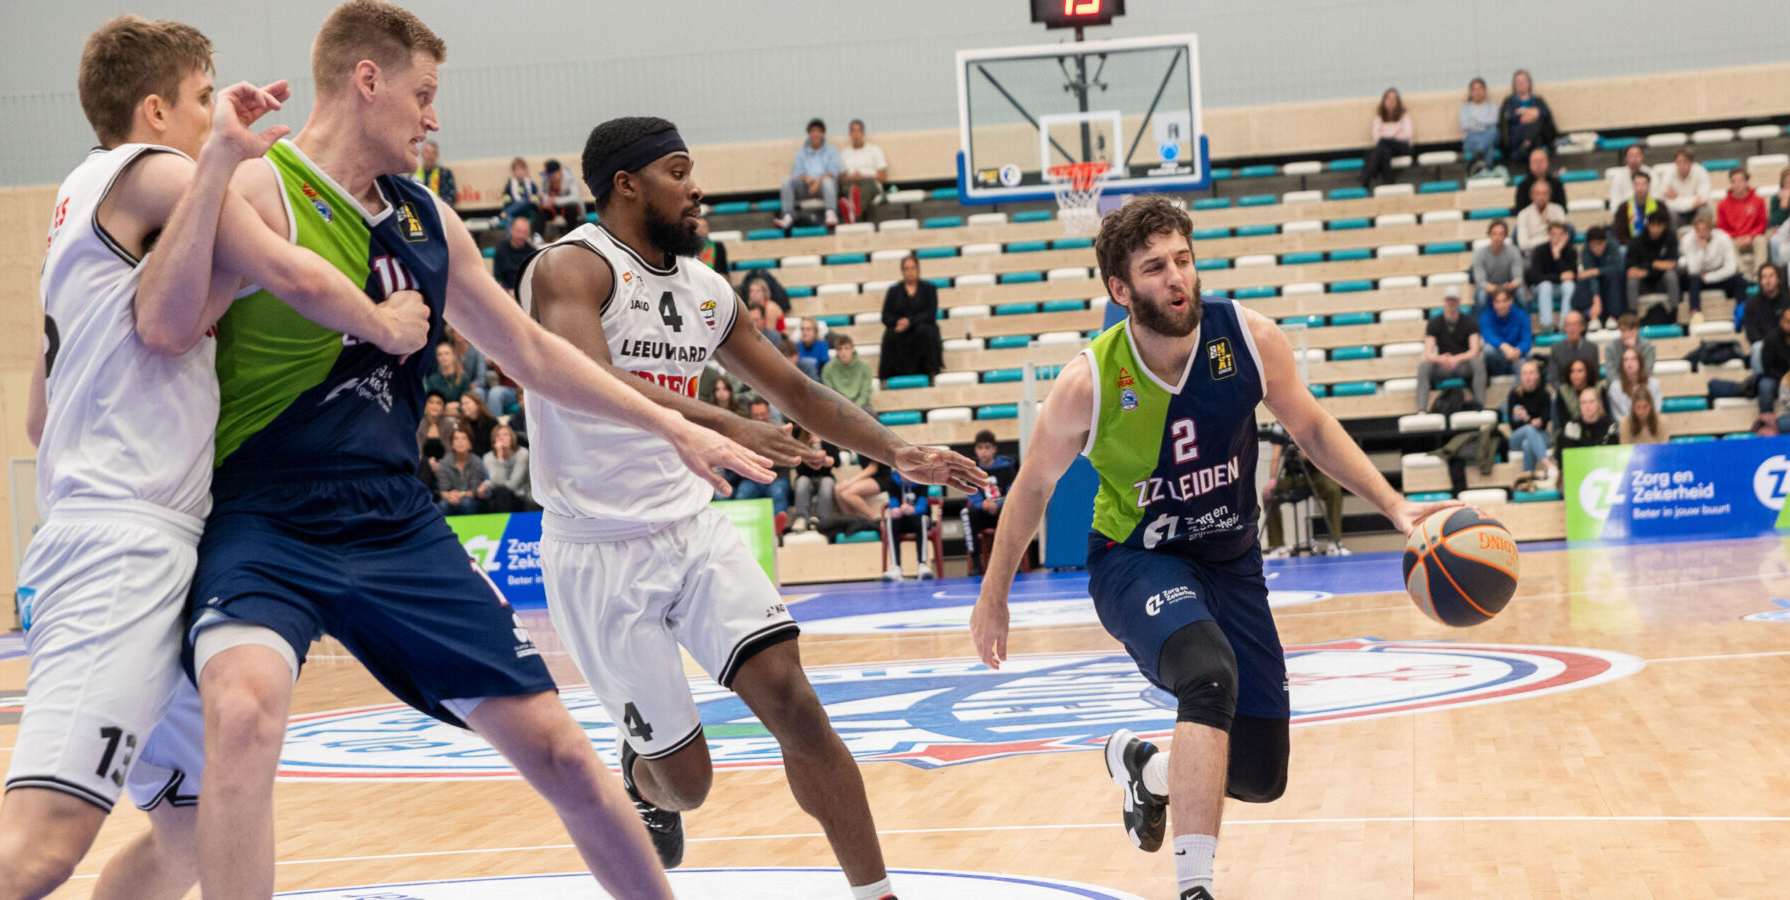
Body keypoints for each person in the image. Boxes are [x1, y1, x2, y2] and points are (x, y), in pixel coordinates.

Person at [144, 5, 778, 896]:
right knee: (242, 718)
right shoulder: (260, 191)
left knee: (561, 750)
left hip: (396, 520)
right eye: (423, 94)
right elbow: (166, 328)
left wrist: (676, 422)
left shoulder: (427, 219)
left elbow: (531, 354)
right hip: (264, 514)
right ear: (368, 80)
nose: (433, 118)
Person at [0, 17, 430, 899]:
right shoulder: (157, 171)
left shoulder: (79, 209)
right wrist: (385, 323)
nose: (212, 118)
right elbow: (287, 266)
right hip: (120, 547)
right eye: (200, 101)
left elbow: (40, 418)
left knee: (193, 835)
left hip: (147, 539)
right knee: (39, 850)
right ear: (154, 109)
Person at [519, 114, 985, 891]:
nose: (696, 186)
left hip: (690, 530)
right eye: (677, 170)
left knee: (797, 705)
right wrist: (726, 421)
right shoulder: (571, 268)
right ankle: (642, 779)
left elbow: (799, 393)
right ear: (627, 185)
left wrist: (899, 452)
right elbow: (586, 380)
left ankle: (878, 893)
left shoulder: (705, 289)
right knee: (688, 782)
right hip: (598, 550)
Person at [967, 195, 1457, 900]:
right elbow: (1032, 489)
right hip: (1137, 560)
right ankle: (1196, 890)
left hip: (1232, 561)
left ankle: (1149, 772)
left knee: (1260, 773)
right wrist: (994, 598)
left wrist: (1396, 506)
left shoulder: (1250, 341)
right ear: (1120, 289)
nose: (1178, 279)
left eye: (1184, 261)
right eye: (1155, 268)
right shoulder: (1090, 381)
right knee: (1208, 674)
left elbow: (1313, 430)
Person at [1261, 437, 1346, 558]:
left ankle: (1335, 543)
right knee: (1269, 495)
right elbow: (1276, 455)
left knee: (1333, 490)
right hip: (1293, 476)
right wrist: (1272, 482)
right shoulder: (1279, 428)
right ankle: (1278, 547)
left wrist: (1306, 452)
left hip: (1315, 474)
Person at [1417, 285, 1486, 411]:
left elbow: (1474, 349)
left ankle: (1480, 406)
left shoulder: (1470, 323)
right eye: (1449, 300)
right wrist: (1441, 359)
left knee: (1478, 362)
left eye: (1454, 300)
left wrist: (1456, 358)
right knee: (1424, 366)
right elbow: (1428, 353)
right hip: (1443, 365)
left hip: (1462, 365)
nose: (1451, 303)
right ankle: (1421, 410)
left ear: (1459, 301)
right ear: (1444, 301)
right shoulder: (1434, 323)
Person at [961, 430, 1020, 575]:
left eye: (987, 447)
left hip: (1002, 511)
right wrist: (982, 504)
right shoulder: (972, 470)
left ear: (994, 449)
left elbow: (1013, 493)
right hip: (982, 512)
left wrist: (997, 503)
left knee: (1012, 511)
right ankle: (976, 563)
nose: (984, 452)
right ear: (976, 449)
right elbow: (971, 493)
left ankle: (1009, 563)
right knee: (966, 513)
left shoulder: (1007, 468)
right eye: (980, 448)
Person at [879, 253, 943, 379]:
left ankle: (930, 371)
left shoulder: (929, 289)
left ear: (918, 269)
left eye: (912, 268)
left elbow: (930, 313)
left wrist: (910, 322)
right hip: (900, 331)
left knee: (924, 331)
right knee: (890, 335)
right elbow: (886, 316)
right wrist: (898, 322)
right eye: (906, 269)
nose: (910, 271)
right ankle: (889, 376)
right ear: (902, 271)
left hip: (921, 328)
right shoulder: (893, 291)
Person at [775, 117, 842, 229]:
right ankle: (788, 216)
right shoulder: (800, 154)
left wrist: (817, 181)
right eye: (813, 131)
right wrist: (808, 180)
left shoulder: (832, 152)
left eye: (819, 131)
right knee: (787, 180)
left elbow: (833, 172)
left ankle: (831, 214)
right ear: (809, 134)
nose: (816, 134)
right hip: (806, 187)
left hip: (823, 188)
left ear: (823, 134)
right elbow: (797, 173)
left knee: (828, 181)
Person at [1681, 212, 1747, 316]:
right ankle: (1695, 313)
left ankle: (1741, 312)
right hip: (1697, 278)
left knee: (1740, 279)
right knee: (1693, 279)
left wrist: (1707, 277)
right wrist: (1702, 250)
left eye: (1705, 230)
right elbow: (1693, 270)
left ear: (1712, 229)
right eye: (1698, 230)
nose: (1701, 233)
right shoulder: (1688, 240)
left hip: (1717, 275)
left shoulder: (1723, 238)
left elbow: (1731, 268)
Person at [1627, 210, 1684, 321]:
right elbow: (1630, 268)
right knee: (1632, 280)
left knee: (1671, 275)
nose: (1656, 229)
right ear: (1648, 226)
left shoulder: (1670, 238)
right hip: (1643, 282)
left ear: (1664, 226)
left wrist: (1647, 268)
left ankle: (1674, 313)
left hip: (1661, 281)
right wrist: (1656, 264)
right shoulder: (1637, 241)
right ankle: (1632, 315)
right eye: (1653, 225)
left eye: (1659, 225)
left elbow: (1672, 264)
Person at [880, 470, 935, 581]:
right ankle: (896, 567)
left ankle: (922, 564)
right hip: (902, 522)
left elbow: (922, 506)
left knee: (922, 519)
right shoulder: (892, 481)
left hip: (919, 519)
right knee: (890, 521)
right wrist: (895, 511)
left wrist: (913, 510)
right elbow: (893, 504)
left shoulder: (922, 480)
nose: (905, 477)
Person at [1525, 220, 1577, 332]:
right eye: (1553, 234)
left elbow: (1572, 276)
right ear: (1549, 235)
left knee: (1569, 285)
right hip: (1540, 290)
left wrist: (1557, 256)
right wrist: (1558, 278)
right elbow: (1535, 277)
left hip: (1560, 289)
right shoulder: (1540, 250)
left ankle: (1565, 323)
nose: (1557, 238)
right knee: (1545, 285)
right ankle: (1546, 324)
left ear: (1565, 236)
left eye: (1560, 234)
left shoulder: (1571, 252)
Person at [1498, 69, 1556, 167]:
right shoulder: (1509, 101)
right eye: (1518, 82)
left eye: (1524, 81)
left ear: (1529, 83)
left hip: (1538, 135)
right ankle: (1528, 146)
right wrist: (1532, 113)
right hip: (1517, 136)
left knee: (1539, 123)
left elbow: (1545, 114)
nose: (1521, 84)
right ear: (1514, 85)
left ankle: (1526, 144)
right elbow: (1508, 118)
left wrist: (1523, 112)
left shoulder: (1538, 100)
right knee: (1536, 125)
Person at [1505, 360, 1553, 473]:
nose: (1528, 377)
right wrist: (1531, 421)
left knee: (1527, 444)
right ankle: (1548, 465)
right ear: (1520, 376)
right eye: (1525, 373)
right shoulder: (1514, 395)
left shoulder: (1545, 395)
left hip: (1540, 435)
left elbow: (1544, 422)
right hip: (1517, 437)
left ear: (1537, 375)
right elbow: (1514, 425)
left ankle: (1528, 477)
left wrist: (1527, 419)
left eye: (1531, 373)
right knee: (1528, 429)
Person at [837, 119, 888, 223]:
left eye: (858, 131)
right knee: (850, 188)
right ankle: (854, 209)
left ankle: (852, 211)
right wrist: (851, 177)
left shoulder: (874, 150)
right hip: (851, 182)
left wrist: (865, 176)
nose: (856, 135)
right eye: (853, 131)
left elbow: (883, 177)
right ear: (850, 134)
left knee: (866, 185)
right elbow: (841, 179)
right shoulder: (844, 153)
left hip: (870, 182)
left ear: (863, 133)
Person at [1741, 263, 1788, 376]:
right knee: (1757, 347)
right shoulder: (1752, 303)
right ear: (1760, 281)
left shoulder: (1788, 300)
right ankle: (1759, 381)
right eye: (1764, 277)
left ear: (1778, 279)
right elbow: (1751, 332)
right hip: (1764, 343)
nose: (1768, 280)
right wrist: (1769, 342)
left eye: (1771, 276)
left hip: (1785, 342)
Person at [1361, 88, 1411, 188]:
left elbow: (1407, 135)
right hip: (1385, 148)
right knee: (1385, 151)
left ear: (1398, 102)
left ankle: (1368, 175)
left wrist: (1389, 138)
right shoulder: (1379, 119)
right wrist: (1393, 135)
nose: (1391, 102)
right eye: (1388, 99)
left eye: (1394, 99)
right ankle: (1389, 182)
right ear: (1384, 101)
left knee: (1383, 144)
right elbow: (1376, 137)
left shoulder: (1404, 117)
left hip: (1400, 147)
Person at [1472, 219, 1527, 310]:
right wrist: (1497, 289)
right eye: (1494, 234)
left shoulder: (1514, 252)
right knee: (1481, 295)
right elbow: (1481, 282)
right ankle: (1480, 324)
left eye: (1501, 234)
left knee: (1521, 292)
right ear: (1490, 235)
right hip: (1489, 290)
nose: (1497, 237)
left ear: (1505, 236)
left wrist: (1510, 286)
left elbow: (1518, 278)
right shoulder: (1479, 254)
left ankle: (1526, 323)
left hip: (1508, 289)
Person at [789, 429, 837, 533]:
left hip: (825, 476)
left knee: (827, 482)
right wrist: (809, 451)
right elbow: (799, 468)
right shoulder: (798, 435)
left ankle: (823, 520)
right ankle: (800, 518)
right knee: (802, 481)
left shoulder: (828, 436)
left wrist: (819, 446)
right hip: (804, 476)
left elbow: (835, 462)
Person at [1718, 168, 1769, 264]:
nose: (1737, 184)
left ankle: (1759, 274)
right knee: (1727, 243)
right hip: (1734, 239)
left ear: (1747, 182)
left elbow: (1762, 224)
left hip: (1753, 238)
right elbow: (1722, 228)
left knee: (1761, 240)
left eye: (1740, 180)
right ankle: (1742, 276)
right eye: (1734, 181)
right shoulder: (1722, 204)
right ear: (1730, 183)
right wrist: (1736, 238)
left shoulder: (1759, 200)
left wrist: (1751, 236)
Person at [1479, 287, 1533, 377]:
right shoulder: (1485, 316)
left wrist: (1517, 351)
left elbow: (1527, 340)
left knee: (1528, 355)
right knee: (1488, 350)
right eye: (1497, 302)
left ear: (1510, 301)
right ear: (1493, 303)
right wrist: (1505, 347)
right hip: (1498, 359)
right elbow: (1489, 336)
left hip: (1516, 356)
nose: (1501, 305)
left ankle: (1516, 390)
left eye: (1504, 301)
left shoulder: (1522, 315)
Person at [435, 425, 489, 514]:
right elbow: (443, 490)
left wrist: (461, 494)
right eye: (456, 439)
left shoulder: (477, 461)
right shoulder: (445, 462)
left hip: (471, 499)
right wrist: (450, 496)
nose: (460, 442)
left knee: (466, 503)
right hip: (450, 497)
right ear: (452, 444)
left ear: (470, 445)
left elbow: (475, 491)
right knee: (441, 506)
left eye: (464, 438)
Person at [1578, 225, 1624, 327]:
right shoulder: (1586, 251)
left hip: (1613, 278)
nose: (1596, 248)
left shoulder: (1613, 244)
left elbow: (1618, 267)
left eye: (1599, 245)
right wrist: (1596, 298)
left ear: (1605, 242)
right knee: (1584, 281)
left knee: (1613, 278)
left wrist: (1596, 271)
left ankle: (1613, 317)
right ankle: (1593, 317)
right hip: (1596, 281)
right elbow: (1590, 276)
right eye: (1593, 245)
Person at [483, 423, 532, 512]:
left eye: (505, 435)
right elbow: (497, 481)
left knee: (502, 492)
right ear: (494, 440)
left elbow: (513, 485)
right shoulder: (488, 457)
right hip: (497, 495)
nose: (501, 438)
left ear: (512, 437)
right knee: (499, 493)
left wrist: (489, 484)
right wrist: (500, 457)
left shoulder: (522, 454)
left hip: (519, 495)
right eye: (498, 435)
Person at [822, 332, 875, 413]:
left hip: (861, 406)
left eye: (846, 348)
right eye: (840, 349)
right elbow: (831, 394)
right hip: (838, 406)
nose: (843, 352)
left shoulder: (865, 368)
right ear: (837, 352)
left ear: (852, 349)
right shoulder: (827, 369)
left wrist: (855, 408)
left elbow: (865, 393)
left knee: (870, 412)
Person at [1546, 310, 1599, 391]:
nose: (1572, 328)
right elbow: (1554, 378)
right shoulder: (1556, 349)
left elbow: (1595, 376)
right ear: (1565, 328)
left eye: (1575, 324)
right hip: (1565, 394)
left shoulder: (1592, 348)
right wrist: (1564, 393)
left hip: (1587, 393)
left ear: (1582, 327)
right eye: (1568, 325)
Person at [1605, 346, 1661, 421]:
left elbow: (1656, 409)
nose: (1629, 363)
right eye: (1625, 360)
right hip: (1625, 428)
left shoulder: (1653, 383)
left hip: (1650, 425)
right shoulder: (1615, 387)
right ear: (1622, 364)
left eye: (1633, 359)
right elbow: (1617, 414)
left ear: (1640, 362)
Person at [1557, 386, 1618, 453]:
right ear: (1579, 405)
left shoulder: (1611, 427)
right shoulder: (1571, 427)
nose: (1587, 405)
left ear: (1599, 403)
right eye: (1584, 402)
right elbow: (1565, 455)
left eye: (1591, 401)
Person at [1659, 148, 1711, 224]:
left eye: (1685, 162)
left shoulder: (1701, 172)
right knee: (1666, 214)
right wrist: (1692, 202)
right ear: (1675, 162)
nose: (1682, 165)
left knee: (1705, 211)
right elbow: (1666, 202)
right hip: (1676, 212)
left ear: (1691, 163)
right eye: (1679, 162)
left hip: (1696, 211)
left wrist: (1677, 198)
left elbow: (1703, 200)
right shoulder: (1668, 174)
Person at [1458, 77, 1498, 174]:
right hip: (1471, 138)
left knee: (1494, 132)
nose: (1477, 92)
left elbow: (1493, 122)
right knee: (1489, 143)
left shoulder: (1493, 106)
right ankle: (1487, 170)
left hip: (1488, 135)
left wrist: (1475, 122)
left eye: (1480, 89)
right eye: (1474, 89)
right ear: (1470, 92)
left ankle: (1478, 158)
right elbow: (1466, 126)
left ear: (1484, 91)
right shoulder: (1464, 108)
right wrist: (1484, 125)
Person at [492, 214, 539, 295]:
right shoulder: (501, 250)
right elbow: (498, 278)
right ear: (511, 230)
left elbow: (535, 280)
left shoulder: (533, 253)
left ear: (529, 234)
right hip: (506, 295)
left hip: (527, 294)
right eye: (518, 231)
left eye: (525, 232)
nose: (521, 236)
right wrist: (507, 291)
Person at [1515, 180, 1567, 253]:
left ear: (1549, 195)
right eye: (1538, 193)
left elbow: (1563, 237)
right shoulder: (1523, 214)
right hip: (1533, 253)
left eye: (1544, 193)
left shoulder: (1558, 210)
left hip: (1555, 250)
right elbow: (1523, 244)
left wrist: (1548, 222)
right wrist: (1549, 240)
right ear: (1532, 196)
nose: (1541, 197)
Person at [1613, 170, 1665, 243]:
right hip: (1632, 246)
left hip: (1655, 244)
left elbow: (1666, 229)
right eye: (1637, 184)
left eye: (1643, 184)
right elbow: (1619, 233)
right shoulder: (1623, 207)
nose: (1640, 188)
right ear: (1633, 186)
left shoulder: (1659, 206)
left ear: (1649, 186)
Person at [1601, 312, 1657, 376]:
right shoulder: (1611, 347)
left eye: (1630, 330)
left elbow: (1647, 371)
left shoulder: (1648, 346)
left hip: (1642, 383)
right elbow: (1611, 374)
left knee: (1653, 383)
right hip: (1619, 383)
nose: (1626, 334)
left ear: (1637, 330)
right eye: (1623, 330)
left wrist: (1634, 349)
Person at [1514, 147, 1567, 214]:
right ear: (1530, 164)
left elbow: (1563, 209)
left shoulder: (1557, 184)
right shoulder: (1523, 186)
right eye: (1535, 161)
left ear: (1547, 162)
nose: (1538, 164)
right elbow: (1519, 211)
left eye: (1541, 161)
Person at [1759, 305, 1790, 415]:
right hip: (1776, 377)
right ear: (1781, 322)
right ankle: (1767, 420)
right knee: (1765, 385)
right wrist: (1784, 378)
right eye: (1788, 322)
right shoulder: (1771, 338)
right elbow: (1767, 368)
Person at [1553, 357, 1601, 428]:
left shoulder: (1598, 389)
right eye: (1572, 371)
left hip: (1597, 427)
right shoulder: (1562, 392)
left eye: (1580, 371)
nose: (1576, 374)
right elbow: (1563, 420)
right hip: (1572, 430)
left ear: (1587, 373)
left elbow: (1604, 415)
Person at [539, 158, 584, 230]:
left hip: (568, 209)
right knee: (541, 211)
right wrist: (542, 200)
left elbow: (576, 198)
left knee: (572, 208)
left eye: (551, 175)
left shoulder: (571, 179)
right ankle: (538, 236)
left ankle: (570, 234)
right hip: (553, 209)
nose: (549, 178)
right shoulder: (546, 180)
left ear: (559, 173)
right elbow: (541, 193)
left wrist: (556, 200)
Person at [500, 156, 542, 229]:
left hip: (527, 210)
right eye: (517, 170)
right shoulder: (509, 186)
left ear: (526, 171)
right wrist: (514, 204)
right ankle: (510, 239)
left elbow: (534, 201)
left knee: (523, 201)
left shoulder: (531, 185)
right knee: (509, 219)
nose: (520, 172)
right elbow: (506, 201)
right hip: (514, 211)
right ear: (513, 172)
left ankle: (507, 212)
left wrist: (529, 201)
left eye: (522, 169)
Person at [1609, 144, 1652, 210]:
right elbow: (1614, 204)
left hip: (1650, 213)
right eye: (1631, 156)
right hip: (1625, 215)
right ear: (1626, 158)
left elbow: (1657, 198)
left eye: (1637, 155)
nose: (1634, 158)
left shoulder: (1651, 173)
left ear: (1642, 157)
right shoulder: (1618, 177)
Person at [414, 138, 454, 207]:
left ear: (437, 155)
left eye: (433, 152)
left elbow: (450, 199)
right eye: (427, 152)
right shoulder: (414, 175)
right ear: (422, 154)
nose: (430, 156)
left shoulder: (444, 174)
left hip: (439, 210)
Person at [456, 390, 497, 455]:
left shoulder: (491, 423)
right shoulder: (462, 424)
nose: (463, 407)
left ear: (477, 405)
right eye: (462, 404)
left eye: (467, 403)